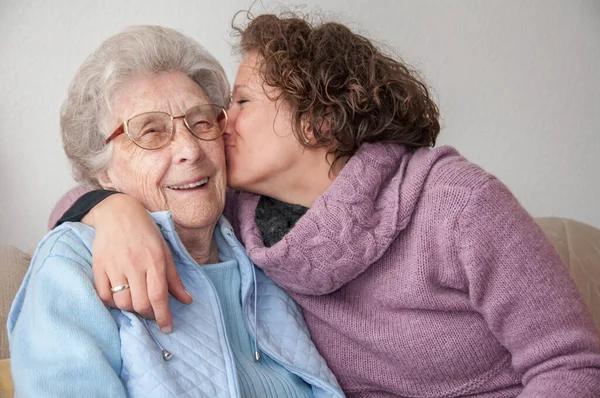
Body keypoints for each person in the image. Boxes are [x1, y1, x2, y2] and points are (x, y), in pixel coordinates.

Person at [55, 13, 600, 397]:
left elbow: (571, 366)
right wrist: (113, 211)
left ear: (316, 121)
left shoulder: (456, 205)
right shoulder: (241, 220)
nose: (218, 125)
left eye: (240, 102)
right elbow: (92, 187)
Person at [7, 25, 344, 398]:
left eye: (201, 123)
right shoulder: (72, 267)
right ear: (102, 171)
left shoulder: (266, 243)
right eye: (151, 132)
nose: (190, 150)